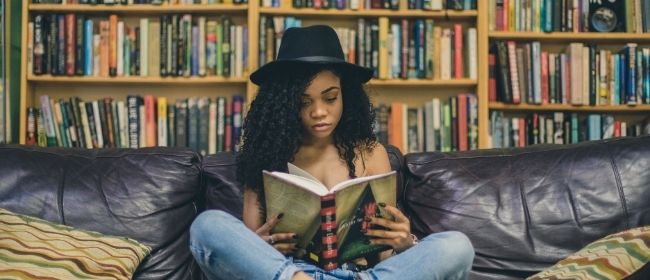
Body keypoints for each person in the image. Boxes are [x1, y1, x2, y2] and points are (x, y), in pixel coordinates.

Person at [189, 25, 475, 280]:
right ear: (286, 104)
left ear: (346, 95)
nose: (319, 112)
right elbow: (251, 257)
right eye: (304, 102)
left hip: (365, 275)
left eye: (330, 98)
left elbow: (383, 255)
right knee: (207, 226)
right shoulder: (264, 155)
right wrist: (260, 245)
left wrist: (404, 243)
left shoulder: (371, 153)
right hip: (289, 272)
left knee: (456, 246)